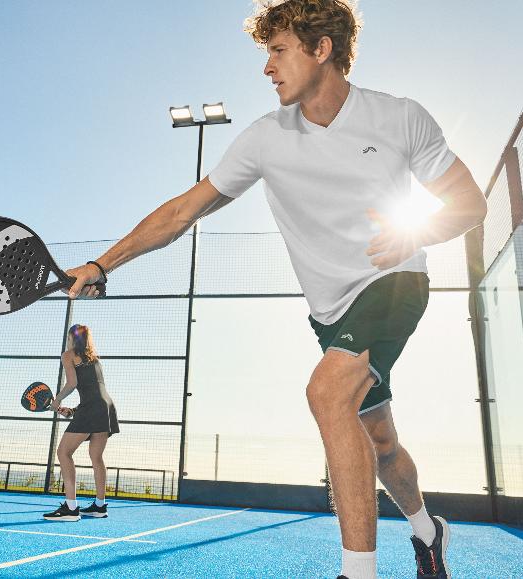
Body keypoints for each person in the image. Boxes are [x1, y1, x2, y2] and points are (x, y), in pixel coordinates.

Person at [63, 1, 486, 576]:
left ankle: (356, 570)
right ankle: (428, 530)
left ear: (322, 49)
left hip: (395, 281)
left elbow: (469, 204)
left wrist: (423, 230)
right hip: (331, 313)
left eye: (279, 49)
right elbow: (185, 210)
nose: (267, 67)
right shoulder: (264, 139)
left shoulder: (400, 117)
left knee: (326, 394)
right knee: (381, 441)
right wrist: (103, 263)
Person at [43, 324, 120, 521]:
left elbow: (72, 383)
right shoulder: (94, 358)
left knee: (63, 452)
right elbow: (94, 390)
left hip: (93, 407)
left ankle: (71, 508)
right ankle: (100, 506)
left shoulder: (68, 355)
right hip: (106, 407)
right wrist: (74, 411)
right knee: (96, 456)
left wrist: (57, 400)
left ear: (71, 337)